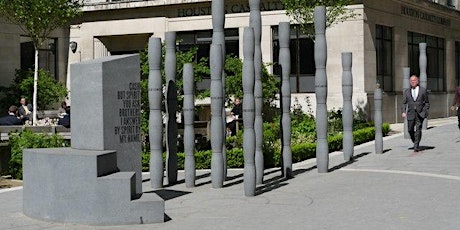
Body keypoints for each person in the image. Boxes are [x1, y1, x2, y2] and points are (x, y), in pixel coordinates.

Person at [401, 75, 430, 152]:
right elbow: (404, 103)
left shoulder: (423, 90)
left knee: (418, 129)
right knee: (410, 130)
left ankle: (416, 146)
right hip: (410, 113)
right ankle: (415, 141)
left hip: (420, 113)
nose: (412, 82)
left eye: (414, 80)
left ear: (417, 81)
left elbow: (427, 102)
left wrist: (425, 111)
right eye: (411, 81)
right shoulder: (407, 91)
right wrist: (404, 111)